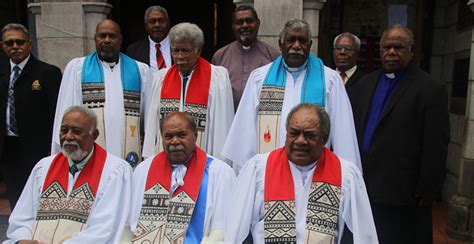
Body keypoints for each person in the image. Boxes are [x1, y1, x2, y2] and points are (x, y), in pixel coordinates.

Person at [347, 25, 449, 243]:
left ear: (411, 51)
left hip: (404, 191)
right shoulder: (364, 84)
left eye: (399, 47)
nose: (391, 52)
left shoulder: (430, 88)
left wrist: (428, 189)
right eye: (387, 47)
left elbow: (436, 143)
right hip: (366, 186)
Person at [225, 103, 378, 243]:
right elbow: (235, 231)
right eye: (294, 133)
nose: (300, 141)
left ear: (324, 139)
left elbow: (364, 236)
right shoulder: (259, 169)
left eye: (310, 135)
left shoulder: (345, 174)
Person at [222, 19, 361, 173]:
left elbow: (343, 134)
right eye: (291, 40)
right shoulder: (260, 79)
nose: (296, 46)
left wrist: (347, 175)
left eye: (302, 41)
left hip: (315, 172)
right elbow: (245, 132)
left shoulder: (330, 80)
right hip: (269, 171)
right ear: (280, 45)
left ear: (310, 45)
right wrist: (246, 176)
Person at [5, 106, 132, 243]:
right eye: (64, 130)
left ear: (94, 135)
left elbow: (105, 228)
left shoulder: (114, 171)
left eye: (76, 131)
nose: (68, 136)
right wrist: (22, 239)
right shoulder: (44, 167)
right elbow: (23, 216)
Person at [52, 19, 153, 166]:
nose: (107, 40)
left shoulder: (140, 71)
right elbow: (65, 114)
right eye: (102, 36)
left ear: (120, 39)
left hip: (129, 157)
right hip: (88, 154)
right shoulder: (78, 69)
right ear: (95, 39)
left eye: (112, 36)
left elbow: (150, 120)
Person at [129, 112, 235, 243]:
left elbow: (221, 230)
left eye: (181, 135)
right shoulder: (144, 170)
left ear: (195, 135)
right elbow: (132, 224)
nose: (174, 141)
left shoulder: (219, 172)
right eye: (168, 136)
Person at [143, 23, 233, 159]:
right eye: (175, 50)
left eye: (185, 51)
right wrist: (149, 157)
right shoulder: (161, 78)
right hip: (167, 157)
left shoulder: (217, 77)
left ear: (197, 50)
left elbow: (222, 126)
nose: (179, 56)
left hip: (203, 159)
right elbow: (152, 125)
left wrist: (218, 164)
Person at [0, 23, 62, 208]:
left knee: (41, 198)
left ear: (29, 44)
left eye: (19, 42)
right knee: (15, 198)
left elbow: (57, 114)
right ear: (3, 46)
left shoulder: (47, 73)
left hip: (38, 150)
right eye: (9, 43)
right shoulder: (2, 74)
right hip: (8, 149)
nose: (15, 46)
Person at [212, 5, 279, 110]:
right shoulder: (220, 56)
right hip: (229, 119)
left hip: (259, 119)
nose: (245, 25)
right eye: (239, 22)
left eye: (249, 21)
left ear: (257, 24)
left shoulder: (273, 56)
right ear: (233, 26)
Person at [127, 5, 172, 75]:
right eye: (152, 22)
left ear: (168, 23)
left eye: (161, 21)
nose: (157, 25)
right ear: (146, 26)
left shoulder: (179, 46)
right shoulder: (133, 50)